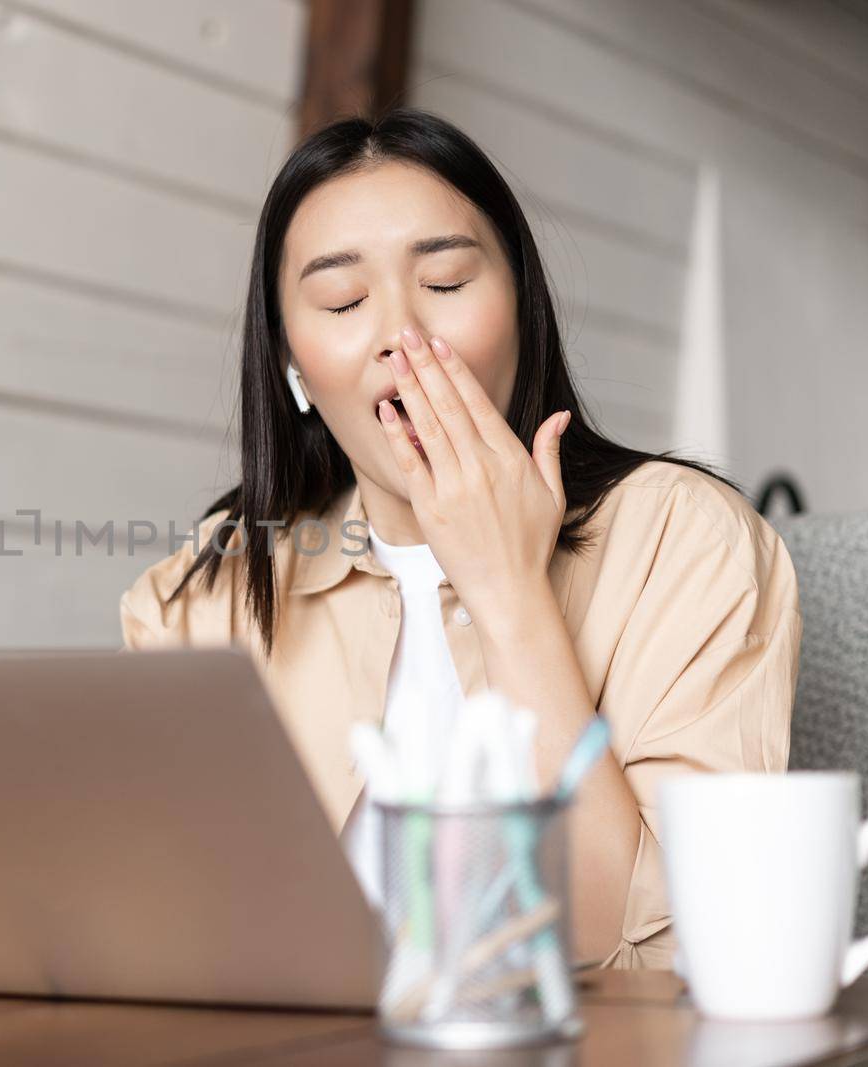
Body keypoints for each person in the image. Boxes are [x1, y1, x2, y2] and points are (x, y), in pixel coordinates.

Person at [117, 105, 801, 970]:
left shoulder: (685, 538)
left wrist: (508, 590)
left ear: (521, 307)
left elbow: (654, 954)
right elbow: (159, 936)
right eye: (343, 299)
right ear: (292, 363)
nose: (405, 340)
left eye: (445, 284)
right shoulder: (212, 584)